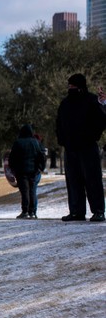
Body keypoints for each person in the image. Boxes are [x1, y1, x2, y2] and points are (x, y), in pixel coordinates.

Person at [56, 73, 106, 222]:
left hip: (88, 147)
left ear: (81, 87)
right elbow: (59, 123)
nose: (71, 88)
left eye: (74, 86)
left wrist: (91, 135)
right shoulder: (65, 104)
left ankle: (98, 211)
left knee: (92, 180)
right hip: (70, 148)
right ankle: (76, 211)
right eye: (69, 86)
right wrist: (62, 139)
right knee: (73, 181)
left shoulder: (92, 101)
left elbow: (102, 120)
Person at [9, 124, 47, 219]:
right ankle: (32, 211)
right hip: (33, 171)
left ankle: (25, 211)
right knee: (32, 190)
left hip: (21, 171)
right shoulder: (35, 142)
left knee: (24, 191)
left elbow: (12, 157)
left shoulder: (18, 143)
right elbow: (40, 156)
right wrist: (41, 168)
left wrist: (12, 169)